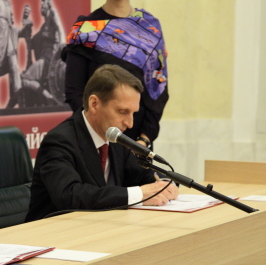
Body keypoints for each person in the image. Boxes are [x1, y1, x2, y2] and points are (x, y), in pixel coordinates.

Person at [25, 64, 178, 222]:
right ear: (94, 104)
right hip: (53, 230)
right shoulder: (59, 140)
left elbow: (142, 174)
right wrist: (140, 194)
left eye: (133, 113)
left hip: (98, 226)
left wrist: (164, 184)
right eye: (123, 112)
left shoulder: (115, 137)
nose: (130, 123)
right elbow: (70, 195)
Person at [63, 0, 168, 149]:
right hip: (98, 140)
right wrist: (98, 133)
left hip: (137, 143)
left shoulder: (150, 27)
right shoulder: (85, 29)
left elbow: (158, 89)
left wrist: (144, 140)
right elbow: (74, 91)